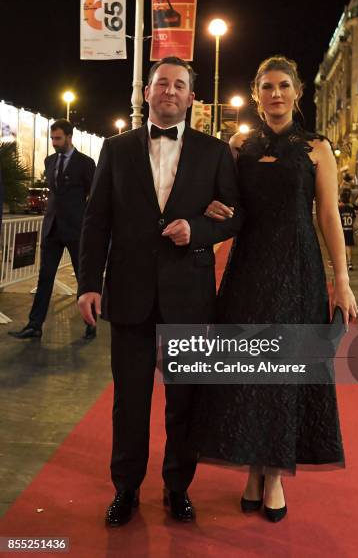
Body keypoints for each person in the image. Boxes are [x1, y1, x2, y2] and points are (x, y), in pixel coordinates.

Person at [191, 55, 358, 523]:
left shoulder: (319, 147)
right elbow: (227, 203)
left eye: (284, 85)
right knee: (249, 371)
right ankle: (252, 470)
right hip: (248, 268)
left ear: (298, 93)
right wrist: (213, 210)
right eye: (267, 86)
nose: (276, 94)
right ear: (257, 93)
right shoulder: (238, 143)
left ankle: (275, 476)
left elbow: (328, 216)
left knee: (283, 372)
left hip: (299, 269)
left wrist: (340, 281)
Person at [77, 56, 242, 526]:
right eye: (161, 83)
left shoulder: (214, 153)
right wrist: (89, 284)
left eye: (179, 85)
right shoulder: (116, 148)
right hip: (127, 295)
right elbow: (96, 222)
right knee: (129, 401)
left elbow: (234, 216)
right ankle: (125, 489)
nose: (169, 91)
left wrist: (198, 230)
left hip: (189, 295)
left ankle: (177, 487)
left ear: (192, 97)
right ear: (145, 93)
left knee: (184, 400)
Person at [9, 119, 96, 340]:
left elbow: (93, 197)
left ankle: (91, 323)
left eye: (58, 138)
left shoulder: (85, 163)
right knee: (44, 278)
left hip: (76, 231)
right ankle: (34, 325)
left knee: (83, 278)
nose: (54, 143)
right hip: (52, 230)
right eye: (52, 138)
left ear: (69, 136)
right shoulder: (49, 161)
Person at [339, 188, 358, 271]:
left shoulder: (339, 209)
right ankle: (350, 263)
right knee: (349, 246)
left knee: (340, 246)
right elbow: (353, 218)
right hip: (349, 229)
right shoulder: (351, 208)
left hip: (341, 230)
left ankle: (341, 263)